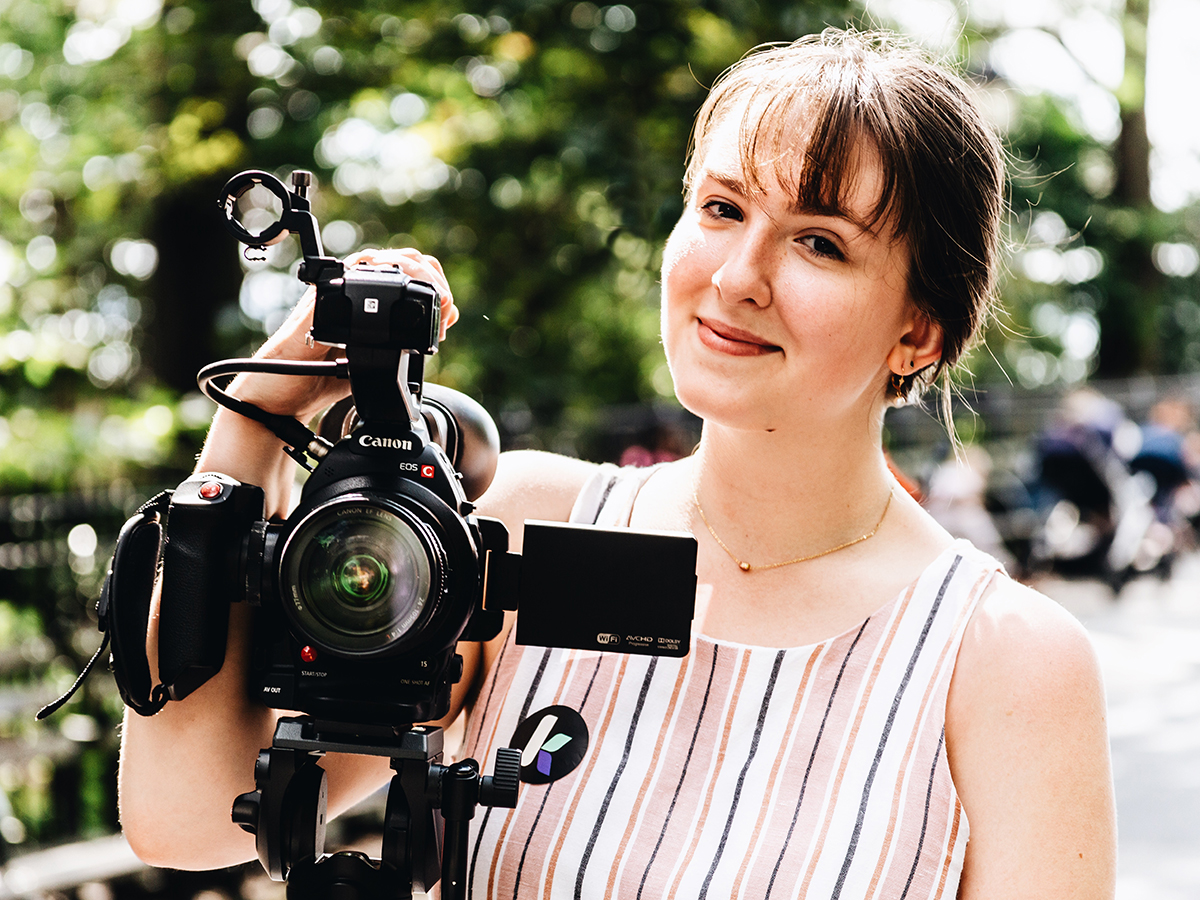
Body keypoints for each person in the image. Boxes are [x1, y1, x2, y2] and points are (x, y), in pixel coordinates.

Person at [118, 29, 1116, 899]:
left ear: (919, 331)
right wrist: (256, 417)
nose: (739, 278)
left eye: (818, 242)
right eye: (721, 208)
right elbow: (188, 817)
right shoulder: (523, 525)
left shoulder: (1004, 663)